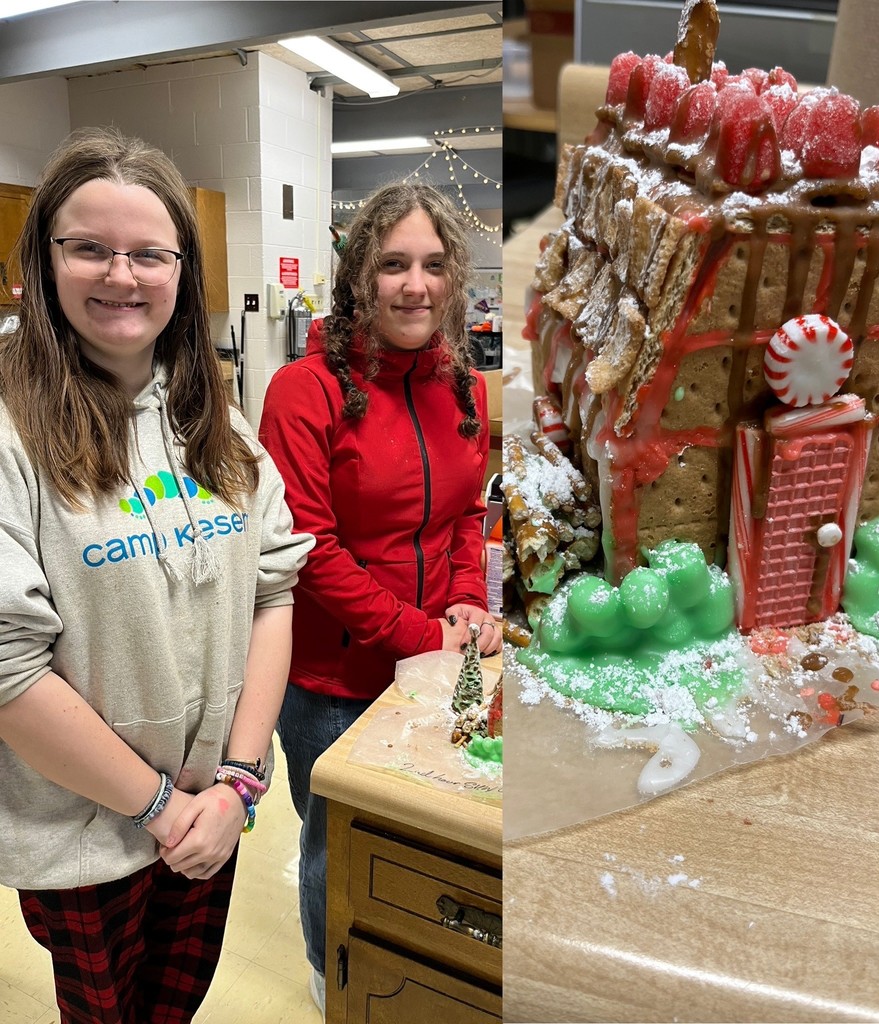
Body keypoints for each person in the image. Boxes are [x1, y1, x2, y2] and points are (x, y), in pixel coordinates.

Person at [0, 126, 313, 1024]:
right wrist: (160, 809)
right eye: (89, 248)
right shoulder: (12, 432)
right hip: (89, 828)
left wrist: (238, 785)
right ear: (43, 262)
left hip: (213, 811)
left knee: (174, 1007)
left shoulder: (215, 422)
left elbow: (272, 593)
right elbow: (9, 667)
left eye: (148, 253)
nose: (121, 275)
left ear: (183, 271)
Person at [259, 182, 499, 1013]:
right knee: (338, 846)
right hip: (337, 681)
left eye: (433, 266)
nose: (416, 286)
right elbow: (307, 551)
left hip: (442, 658)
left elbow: (468, 512)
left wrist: (466, 601)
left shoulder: (461, 384)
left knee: (435, 832)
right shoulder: (304, 390)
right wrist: (418, 633)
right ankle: (339, 993)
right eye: (394, 264)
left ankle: (418, 979)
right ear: (360, 272)